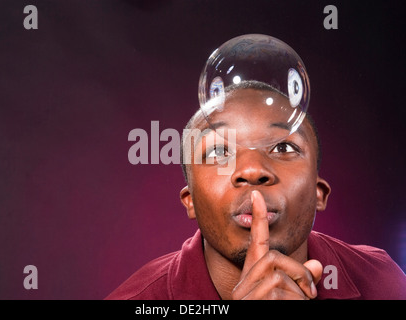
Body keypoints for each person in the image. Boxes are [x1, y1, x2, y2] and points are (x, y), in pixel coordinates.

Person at [106, 36, 406, 300]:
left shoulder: (383, 282)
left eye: (283, 147)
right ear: (191, 201)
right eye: (220, 151)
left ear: (319, 193)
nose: (252, 171)